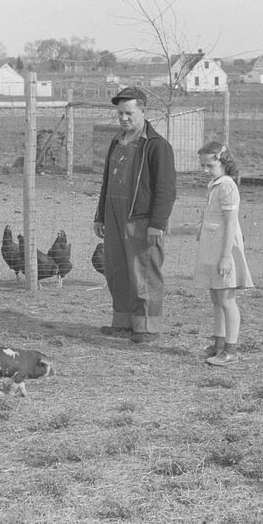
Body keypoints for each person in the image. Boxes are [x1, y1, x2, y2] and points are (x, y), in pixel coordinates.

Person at [93, 86, 177, 343]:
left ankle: (148, 327)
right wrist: (100, 215)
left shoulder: (156, 146)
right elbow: (107, 181)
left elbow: (166, 190)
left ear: (143, 110)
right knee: (117, 271)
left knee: (144, 272)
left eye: (129, 113)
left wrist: (157, 224)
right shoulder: (116, 142)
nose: (124, 119)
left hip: (141, 219)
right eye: (120, 114)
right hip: (113, 214)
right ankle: (123, 322)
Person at [194, 141, 254, 366]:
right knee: (216, 296)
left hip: (223, 247)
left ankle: (231, 350)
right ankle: (218, 344)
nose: (205, 170)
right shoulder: (216, 185)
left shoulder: (227, 186)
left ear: (223, 161)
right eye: (203, 165)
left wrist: (227, 256)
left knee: (227, 299)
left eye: (209, 165)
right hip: (212, 245)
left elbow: (230, 223)